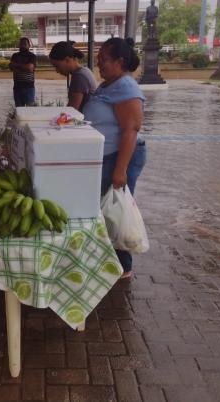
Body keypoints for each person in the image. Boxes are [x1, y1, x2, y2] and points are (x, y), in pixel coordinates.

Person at [83, 37, 146, 279]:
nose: (99, 65)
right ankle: (108, 259)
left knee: (115, 210)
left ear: (120, 62)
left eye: (104, 61)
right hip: (106, 156)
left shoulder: (127, 87)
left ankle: (122, 266)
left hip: (120, 157)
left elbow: (131, 129)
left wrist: (121, 169)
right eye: (99, 60)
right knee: (104, 209)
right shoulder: (110, 83)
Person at [48, 41, 97, 112]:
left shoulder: (79, 76)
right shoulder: (84, 71)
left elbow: (72, 111)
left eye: (57, 66)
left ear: (67, 60)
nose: (57, 70)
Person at [9, 37, 36, 106]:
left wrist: (17, 66)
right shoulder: (15, 56)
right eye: (21, 44)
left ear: (29, 45)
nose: (22, 45)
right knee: (19, 110)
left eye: (25, 44)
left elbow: (30, 68)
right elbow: (11, 67)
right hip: (17, 88)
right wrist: (25, 67)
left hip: (29, 88)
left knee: (30, 111)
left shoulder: (32, 56)